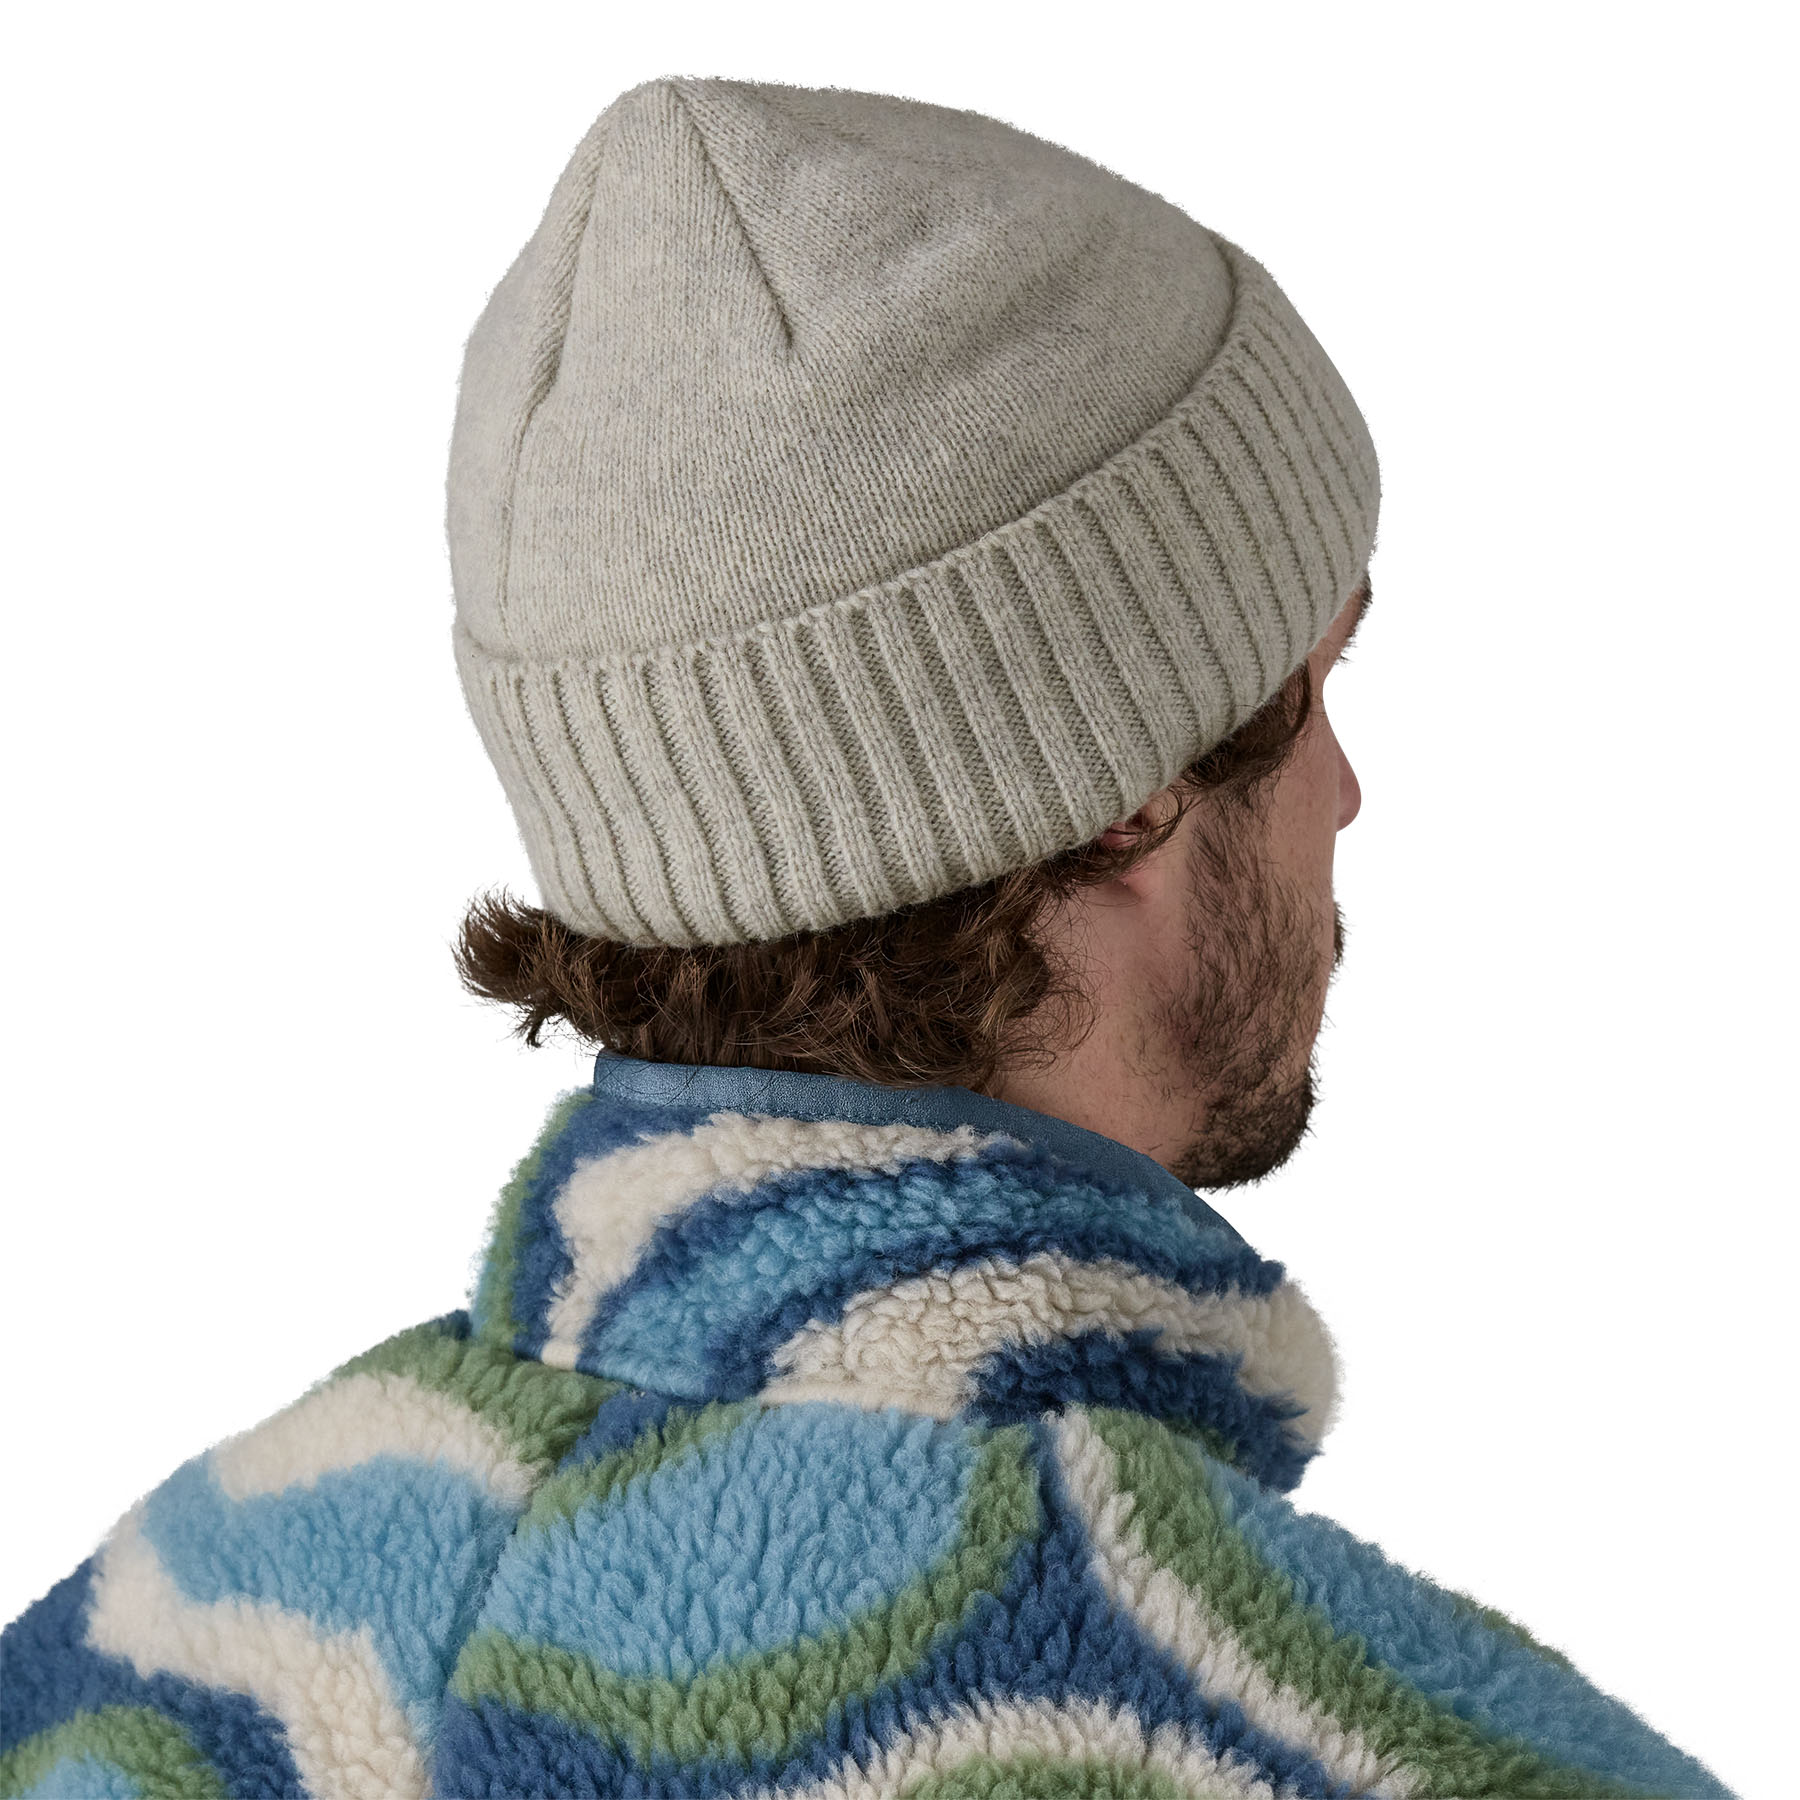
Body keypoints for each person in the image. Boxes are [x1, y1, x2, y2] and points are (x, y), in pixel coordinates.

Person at [0, 76, 1733, 1800]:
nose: (1342, 793)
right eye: (1315, 684)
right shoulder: (1354, 1748)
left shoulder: (130, 1660)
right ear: (1123, 790)